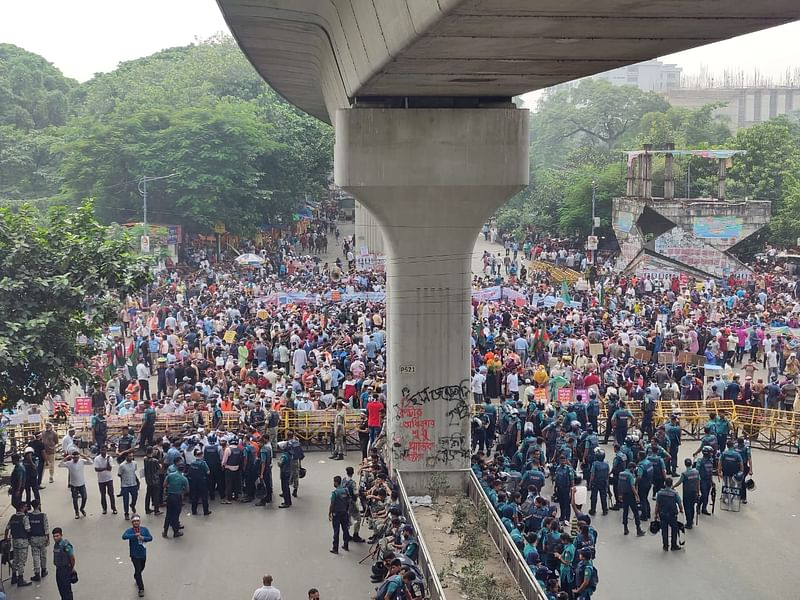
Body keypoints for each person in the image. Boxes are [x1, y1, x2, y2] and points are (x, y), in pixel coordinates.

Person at [122, 514, 153, 597]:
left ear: (139, 522)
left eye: (137, 521)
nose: (136, 523)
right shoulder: (130, 531)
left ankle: (136, 576)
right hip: (134, 555)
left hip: (142, 554)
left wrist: (144, 538)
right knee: (138, 570)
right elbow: (124, 536)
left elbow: (150, 538)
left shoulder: (144, 530)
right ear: (132, 523)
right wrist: (134, 536)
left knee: (142, 568)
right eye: (134, 521)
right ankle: (141, 588)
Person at [5, 501, 32, 586]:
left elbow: (7, 528)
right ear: (22, 508)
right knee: (22, 561)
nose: (26, 508)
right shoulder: (24, 518)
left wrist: (6, 538)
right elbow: (28, 529)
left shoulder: (13, 517)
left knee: (15, 559)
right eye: (25, 506)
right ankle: (20, 579)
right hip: (23, 541)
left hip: (15, 541)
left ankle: (14, 577)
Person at [60, 449, 92, 519]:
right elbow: (60, 464)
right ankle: (76, 512)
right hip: (73, 484)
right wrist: (66, 457)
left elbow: (91, 462)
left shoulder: (82, 462)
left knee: (84, 497)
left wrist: (83, 455)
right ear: (72, 457)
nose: (76, 459)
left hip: (82, 483)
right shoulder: (69, 463)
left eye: (77, 457)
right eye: (74, 458)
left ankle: (82, 508)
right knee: (75, 499)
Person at [655, 477, 684, 551]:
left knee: (664, 530)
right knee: (674, 529)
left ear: (665, 484)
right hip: (672, 515)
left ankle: (665, 546)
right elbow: (680, 504)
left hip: (662, 514)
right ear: (671, 484)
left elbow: (657, 505)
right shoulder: (675, 494)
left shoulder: (659, 493)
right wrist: (681, 511)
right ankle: (673, 545)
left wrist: (656, 514)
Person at [162, 457, 188, 538]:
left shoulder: (170, 475)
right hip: (178, 497)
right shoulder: (184, 479)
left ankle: (165, 531)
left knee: (168, 514)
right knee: (176, 515)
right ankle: (176, 532)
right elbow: (187, 490)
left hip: (170, 496)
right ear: (183, 470)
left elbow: (164, 485)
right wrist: (181, 491)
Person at [617, 462, 644, 537]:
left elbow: (619, 484)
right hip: (630, 495)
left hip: (624, 495)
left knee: (625, 512)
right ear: (631, 468)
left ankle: (625, 528)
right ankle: (638, 529)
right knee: (635, 512)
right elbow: (632, 486)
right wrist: (637, 495)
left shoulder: (621, 474)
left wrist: (619, 494)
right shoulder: (630, 475)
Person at [674, 458, 700, 529]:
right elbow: (698, 482)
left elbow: (679, 482)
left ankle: (689, 523)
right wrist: (698, 492)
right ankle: (691, 520)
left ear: (685, 464)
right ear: (691, 464)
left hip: (687, 493)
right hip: (694, 492)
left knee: (687, 508)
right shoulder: (696, 472)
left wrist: (673, 486)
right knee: (692, 507)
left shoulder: (684, 474)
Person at [28, 498, 50, 582]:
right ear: (39, 505)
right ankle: (44, 570)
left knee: (35, 556)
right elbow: (46, 527)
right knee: (43, 555)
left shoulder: (29, 516)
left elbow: (28, 528)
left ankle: (37, 573)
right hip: (42, 538)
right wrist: (48, 538)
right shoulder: (43, 515)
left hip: (33, 538)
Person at [328, 475, 351, 554]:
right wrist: (347, 510)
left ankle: (335, 548)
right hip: (344, 512)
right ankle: (346, 545)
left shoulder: (335, 493)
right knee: (345, 529)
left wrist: (329, 513)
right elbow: (348, 501)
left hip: (336, 514)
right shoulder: (346, 490)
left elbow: (332, 504)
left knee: (336, 531)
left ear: (336, 482)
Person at [52, 527, 76, 600]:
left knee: (66, 591)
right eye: (54, 536)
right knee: (61, 590)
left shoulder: (65, 545)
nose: (55, 538)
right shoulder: (56, 544)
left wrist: (71, 568)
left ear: (61, 535)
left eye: (57, 536)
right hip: (58, 570)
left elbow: (72, 558)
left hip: (65, 570)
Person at [94, 445, 118, 515]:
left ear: (106, 450)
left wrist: (107, 461)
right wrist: (105, 468)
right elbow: (96, 469)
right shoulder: (97, 459)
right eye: (102, 450)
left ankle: (114, 508)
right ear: (100, 450)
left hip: (109, 479)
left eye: (105, 450)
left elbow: (109, 468)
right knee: (103, 495)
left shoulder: (109, 458)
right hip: (101, 480)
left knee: (111, 494)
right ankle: (104, 509)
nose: (103, 452)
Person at [187, 447, 212, 516]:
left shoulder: (192, 463)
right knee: (204, 497)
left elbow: (190, 472)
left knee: (195, 496)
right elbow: (208, 472)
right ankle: (206, 511)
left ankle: (194, 511)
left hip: (194, 482)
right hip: (202, 481)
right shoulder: (203, 463)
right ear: (201, 455)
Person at [118, 449, 140, 520]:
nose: (131, 458)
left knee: (135, 497)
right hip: (125, 485)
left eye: (132, 456)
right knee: (126, 500)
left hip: (133, 484)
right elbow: (119, 474)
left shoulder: (134, 463)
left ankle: (132, 505)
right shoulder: (122, 465)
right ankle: (126, 513)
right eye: (129, 456)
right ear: (126, 457)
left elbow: (134, 471)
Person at [255, 434, 274, 506]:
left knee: (263, 485)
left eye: (258, 443)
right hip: (268, 468)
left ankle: (263, 500)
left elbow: (263, 462)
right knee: (268, 484)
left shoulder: (262, 451)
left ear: (262, 443)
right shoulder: (268, 448)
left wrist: (261, 473)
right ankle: (269, 498)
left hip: (264, 469)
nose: (257, 444)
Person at [277, 441, 292, 508]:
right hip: (288, 471)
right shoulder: (289, 454)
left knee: (284, 488)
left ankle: (286, 502)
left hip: (284, 472)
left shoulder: (284, 456)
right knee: (287, 487)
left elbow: (280, 464)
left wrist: (278, 463)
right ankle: (289, 501)